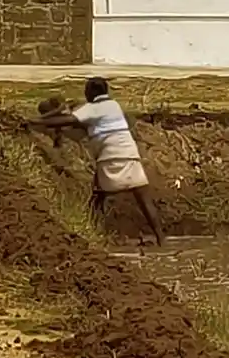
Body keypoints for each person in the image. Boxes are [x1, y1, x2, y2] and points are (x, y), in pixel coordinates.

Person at [31, 77, 166, 247]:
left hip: (110, 157)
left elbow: (68, 121)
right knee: (143, 199)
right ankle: (161, 239)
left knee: (98, 197)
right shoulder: (113, 105)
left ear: (92, 93)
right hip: (130, 154)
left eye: (86, 91)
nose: (85, 94)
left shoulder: (91, 108)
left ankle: (94, 234)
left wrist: (36, 121)